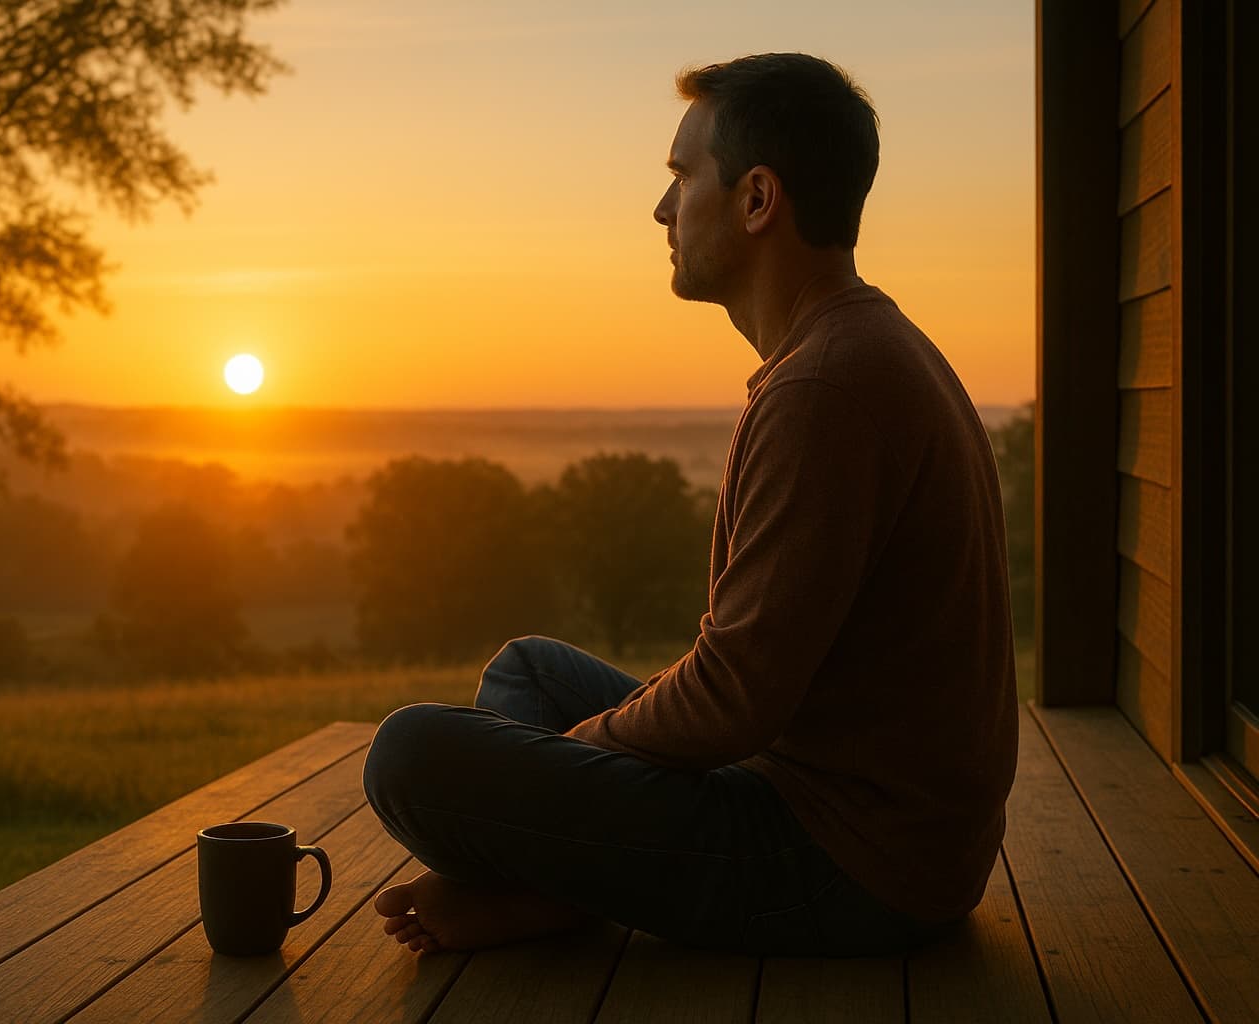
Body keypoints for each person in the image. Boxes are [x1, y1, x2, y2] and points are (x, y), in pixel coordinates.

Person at [361, 52, 1018, 958]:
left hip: (853, 866)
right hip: (822, 798)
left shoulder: (825, 388)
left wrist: (577, 761)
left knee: (412, 757)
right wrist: (572, 766)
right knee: (531, 673)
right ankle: (553, 884)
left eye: (680, 176)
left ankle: (549, 884)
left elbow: (732, 699)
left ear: (757, 200)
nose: (663, 209)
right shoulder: (852, 348)